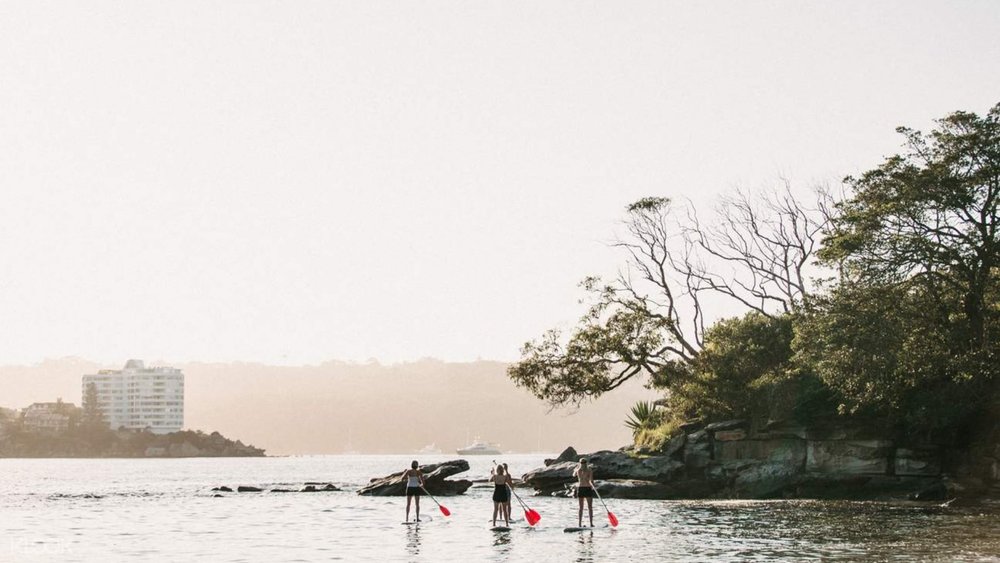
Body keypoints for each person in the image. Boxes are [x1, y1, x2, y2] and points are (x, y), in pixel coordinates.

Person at [573, 458, 595, 527]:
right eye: (582, 463)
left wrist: (591, 483)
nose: (583, 464)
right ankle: (582, 524)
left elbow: (591, 480)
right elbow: (591, 480)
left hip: (584, 488)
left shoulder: (579, 470)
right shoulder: (585, 470)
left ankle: (588, 523)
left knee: (587, 507)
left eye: (583, 463)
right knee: (584, 507)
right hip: (584, 488)